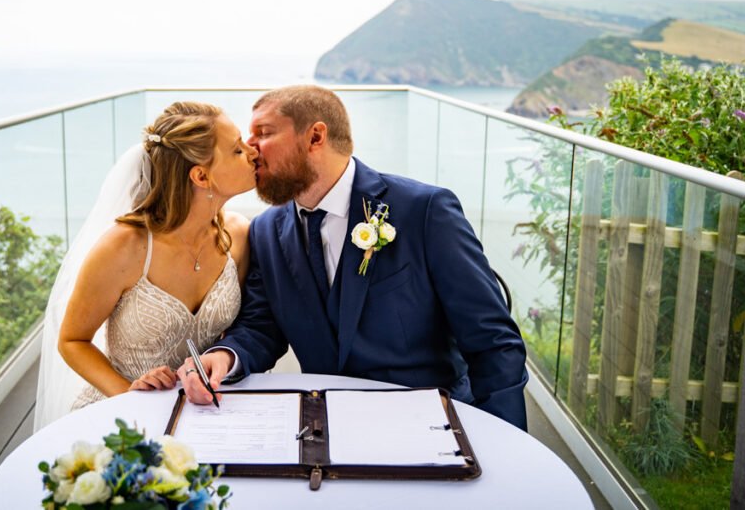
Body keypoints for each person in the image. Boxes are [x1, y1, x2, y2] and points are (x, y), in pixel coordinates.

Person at [179, 85, 529, 430]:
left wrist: (504, 444)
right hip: (324, 427)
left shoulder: (424, 211)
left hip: (430, 424)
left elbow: (494, 343)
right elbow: (261, 327)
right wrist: (226, 356)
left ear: (316, 137)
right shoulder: (266, 231)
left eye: (263, 133)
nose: (250, 149)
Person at [33, 101, 258, 431]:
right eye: (237, 150)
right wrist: (128, 394)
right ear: (200, 175)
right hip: (120, 415)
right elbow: (72, 341)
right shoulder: (124, 247)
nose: (252, 152)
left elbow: (235, 332)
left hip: (202, 413)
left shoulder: (237, 235)